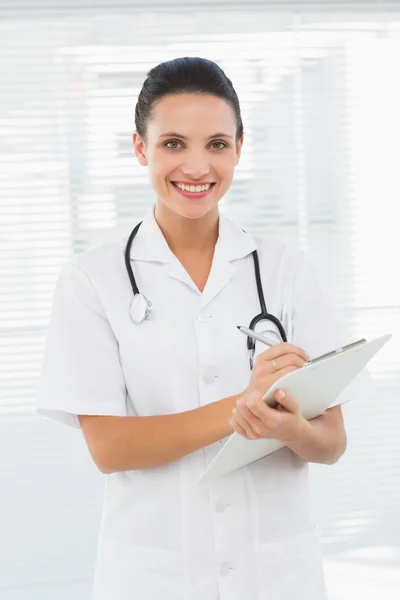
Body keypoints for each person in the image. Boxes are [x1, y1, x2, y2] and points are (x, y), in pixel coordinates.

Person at [36, 56, 363, 600]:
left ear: (239, 148)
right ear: (140, 148)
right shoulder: (92, 280)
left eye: (216, 144)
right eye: (172, 144)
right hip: (154, 576)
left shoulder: (285, 270)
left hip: (276, 574)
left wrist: (289, 430)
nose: (196, 167)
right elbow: (110, 448)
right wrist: (246, 405)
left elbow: (331, 443)